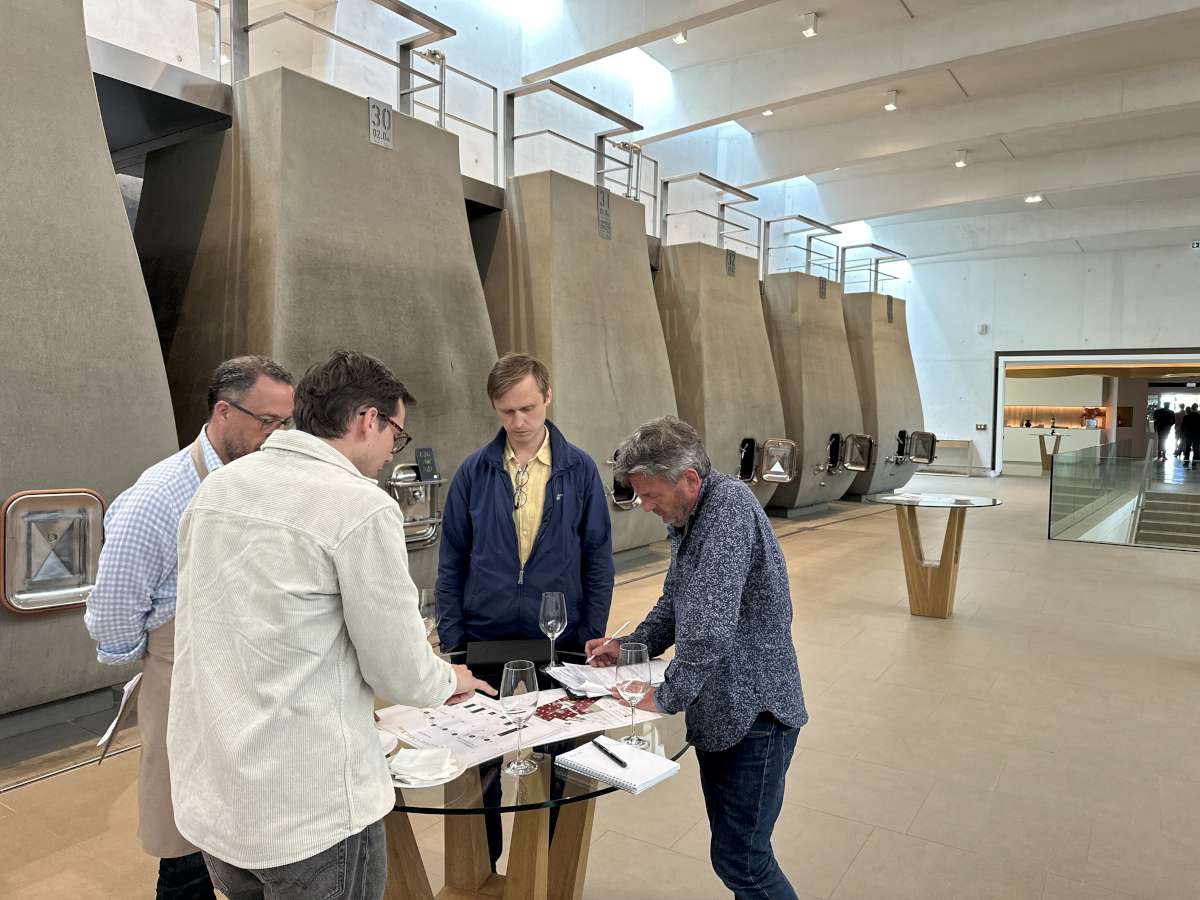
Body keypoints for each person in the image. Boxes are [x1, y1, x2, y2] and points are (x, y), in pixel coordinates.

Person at [167, 350, 495, 899]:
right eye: (397, 435)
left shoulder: (218, 490)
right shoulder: (358, 506)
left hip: (217, 798)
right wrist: (451, 678)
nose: (394, 453)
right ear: (369, 419)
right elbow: (401, 674)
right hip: (309, 809)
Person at [85, 355, 295, 900]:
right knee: (187, 854)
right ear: (223, 412)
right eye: (267, 422)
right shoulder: (157, 497)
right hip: (183, 692)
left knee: (253, 846)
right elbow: (111, 612)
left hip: (258, 690)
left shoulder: (269, 484)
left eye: (286, 423)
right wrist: (156, 654)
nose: (278, 435)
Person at [588, 416, 807, 900]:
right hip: (723, 710)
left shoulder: (727, 510)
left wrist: (664, 697)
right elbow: (676, 600)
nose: (645, 507)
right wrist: (629, 646)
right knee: (735, 854)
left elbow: (707, 630)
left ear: (688, 479)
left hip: (756, 713)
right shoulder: (689, 515)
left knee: (744, 862)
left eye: (650, 496)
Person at [436, 352, 614, 867]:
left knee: (557, 762)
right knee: (481, 769)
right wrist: (454, 641)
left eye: (528, 409)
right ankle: (482, 869)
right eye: (507, 411)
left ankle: (545, 870)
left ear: (548, 398)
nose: (518, 422)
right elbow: (450, 561)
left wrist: (587, 635)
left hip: (557, 643)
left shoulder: (578, 470)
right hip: (484, 641)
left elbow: (598, 559)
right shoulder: (474, 471)